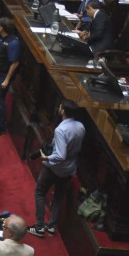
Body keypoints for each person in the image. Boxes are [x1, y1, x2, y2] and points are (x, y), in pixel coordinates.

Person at [30, 100, 85, 236]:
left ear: (63, 111)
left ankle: (39, 227)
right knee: (59, 196)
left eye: (60, 107)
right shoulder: (80, 126)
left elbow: (60, 155)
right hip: (69, 169)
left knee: (39, 192)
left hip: (55, 168)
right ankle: (52, 226)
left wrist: (46, 157)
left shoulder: (61, 130)